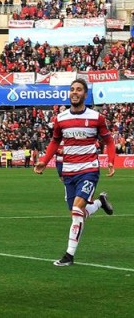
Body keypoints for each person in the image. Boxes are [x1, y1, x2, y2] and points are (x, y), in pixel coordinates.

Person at [33, 78, 115, 267]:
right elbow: (54, 141)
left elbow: (109, 141)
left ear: (85, 95)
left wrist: (110, 161)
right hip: (68, 172)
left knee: (77, 211)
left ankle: (69, 255)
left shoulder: (96, 117)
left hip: (89, 170)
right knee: (77, 212)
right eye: (72, 89)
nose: (75, 92)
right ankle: (99, 203)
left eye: (78, 89)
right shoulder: (60, 119)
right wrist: (44, 161)